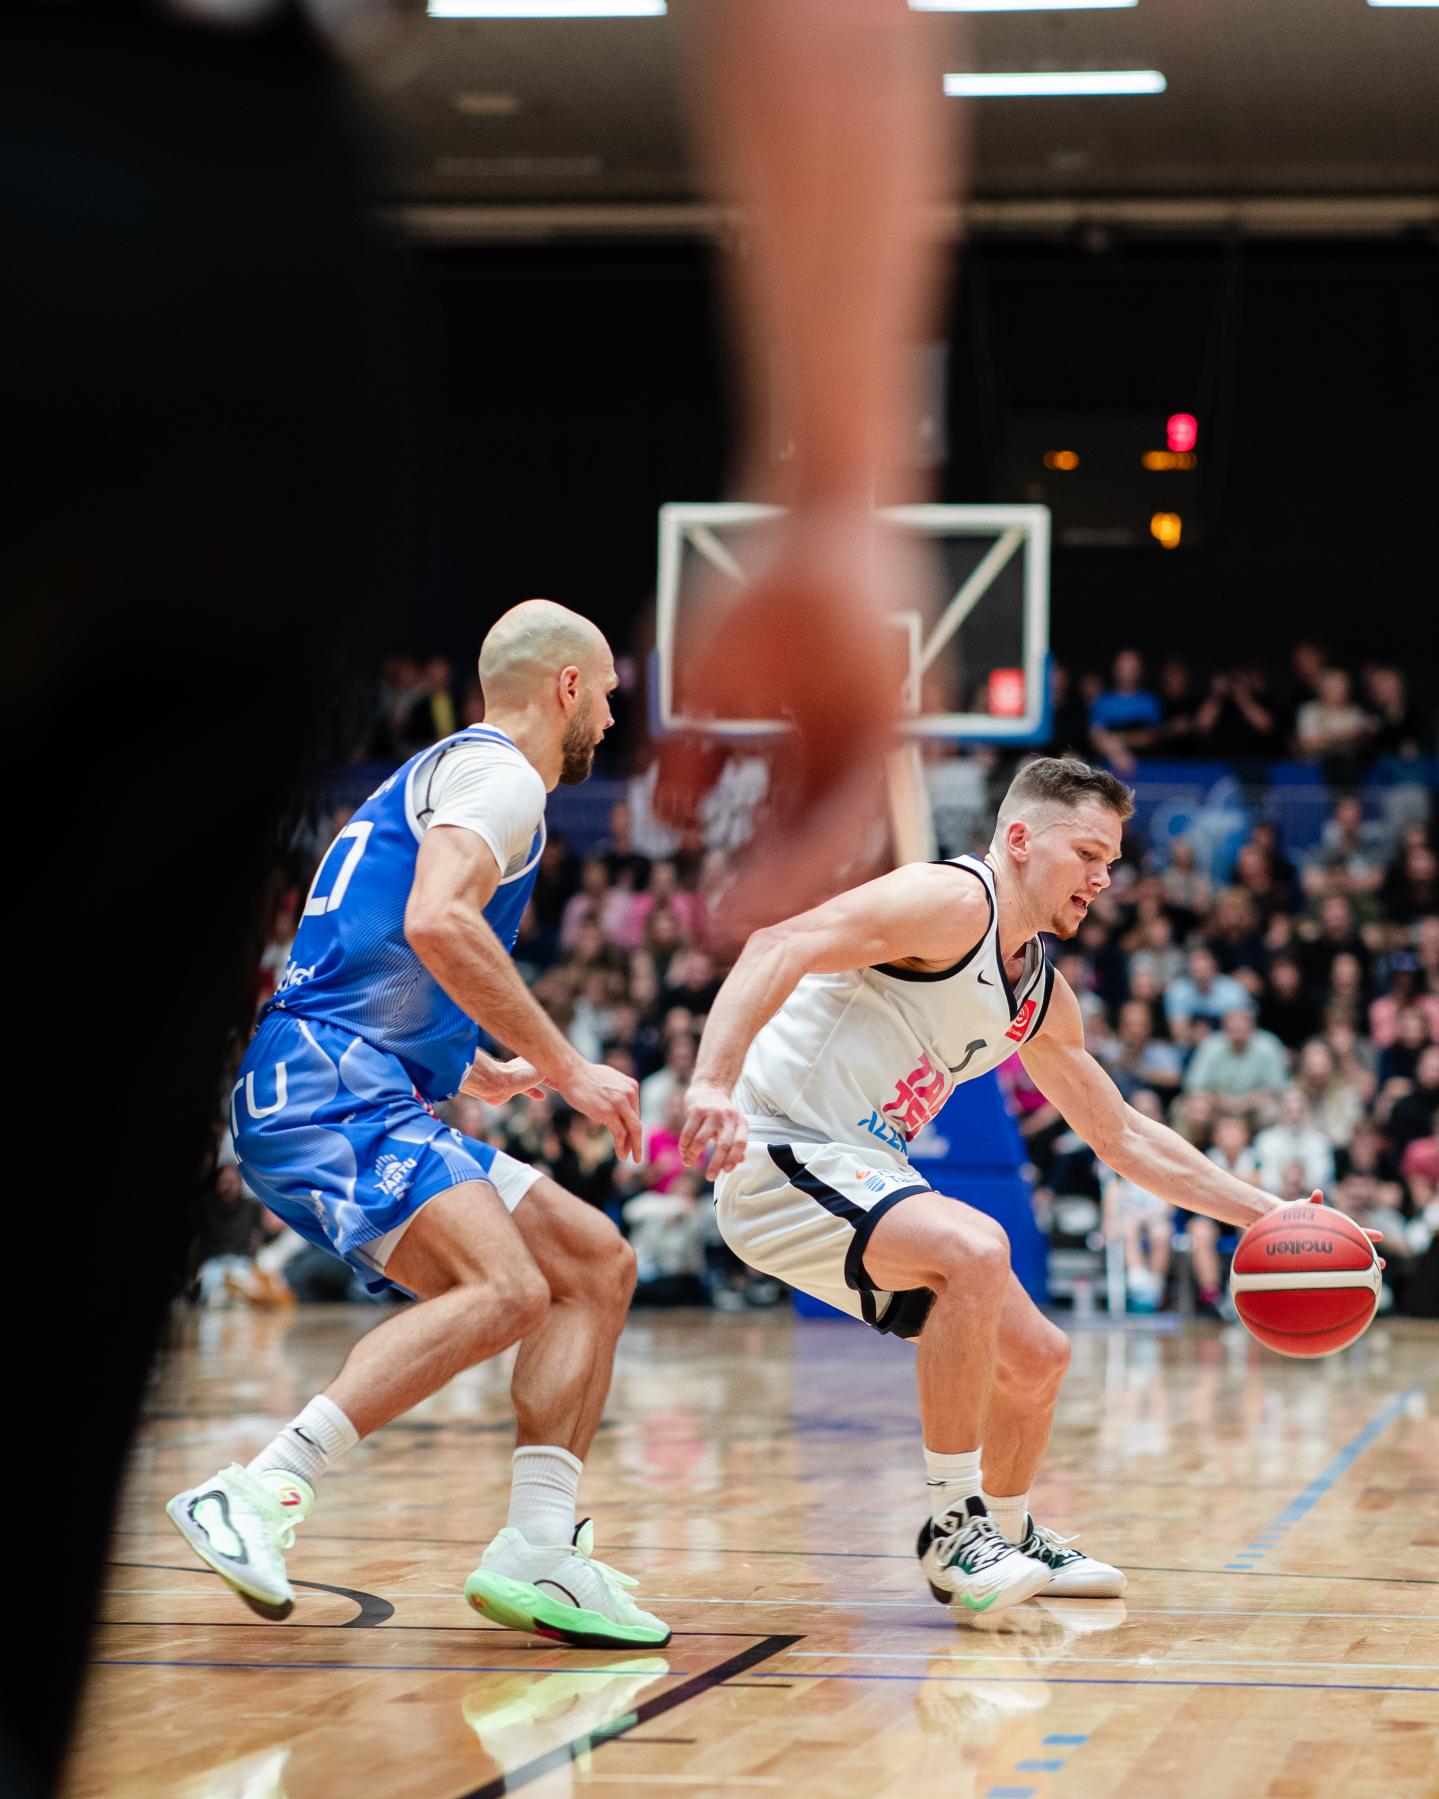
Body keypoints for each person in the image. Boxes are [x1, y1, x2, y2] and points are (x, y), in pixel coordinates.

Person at [678, 756, 1366, 1618]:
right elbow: (776, 944)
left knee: (1037, 1357)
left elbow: (1120, 1135)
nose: (1101, 878)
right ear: (1017, 840)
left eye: (1110, 862)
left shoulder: (1037, 992)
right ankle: (953, 1528)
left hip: (862, 1164)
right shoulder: (948, 900)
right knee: (976, 1248)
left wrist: (1269, 1212)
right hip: (781, 1146)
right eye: (1086, 853)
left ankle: (1003, 1530)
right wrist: (711, 1083)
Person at [167, 601, 670, 1651]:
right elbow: (435, 918)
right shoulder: (503, 777)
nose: (614, 716)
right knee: (506, 1288)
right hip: (327, 1083)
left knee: (593, 1262)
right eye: (608, 693)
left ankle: (538, 1547)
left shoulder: (451, 771)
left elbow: (378, 947)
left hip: (346, 1072)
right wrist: (568, 1065)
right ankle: (260, 1488)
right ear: (566, 686)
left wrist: (472, 1062)